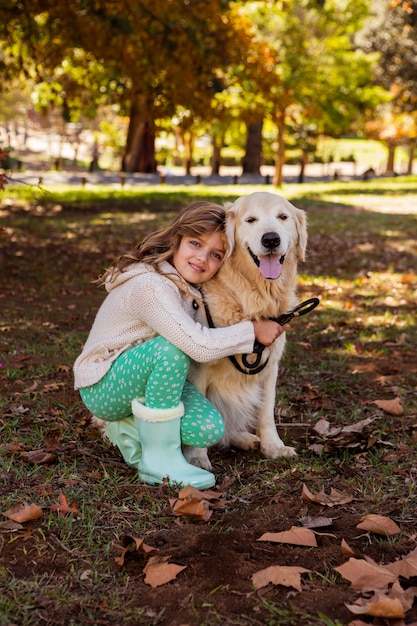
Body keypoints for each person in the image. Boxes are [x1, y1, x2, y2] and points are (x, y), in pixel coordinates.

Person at [73, 200, 285, 489]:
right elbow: (197, 345)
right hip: (104, 385)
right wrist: (252, 331)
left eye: (215, 254)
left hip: (147, 381)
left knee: (208, 430)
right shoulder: (151, 286)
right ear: (176, 240)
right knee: (171, 350)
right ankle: (159, 460)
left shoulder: (187, 287)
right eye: (195, 244)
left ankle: (130, 428)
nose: (202, 258)